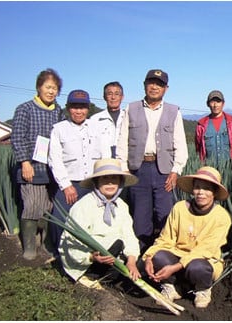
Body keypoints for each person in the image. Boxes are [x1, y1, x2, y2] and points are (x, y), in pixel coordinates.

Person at [116, 69, 188, 253]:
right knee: (140, 216)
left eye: (160, 84)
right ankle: (139, 256)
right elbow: (122, 141)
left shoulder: (173, 111)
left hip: (163, 170)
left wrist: (176, 170)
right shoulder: (131, 108)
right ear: (144, 85)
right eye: (151, 83)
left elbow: (180, 143)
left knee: (165, 215)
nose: (155, 87)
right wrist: (124, 169)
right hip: (138, 170)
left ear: (166, 88)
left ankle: (162, 255)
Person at [142, 166, 232, 309]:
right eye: (197, 187)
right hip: (177, 256)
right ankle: (172, 286)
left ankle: (203, 290)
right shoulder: (179, 208)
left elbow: (205, 250)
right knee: (159, 257)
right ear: (193, 189)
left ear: (214, 192)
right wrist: (148, 257)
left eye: (207, 188)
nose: (201, 192)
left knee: (197, 266)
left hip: (204, 260)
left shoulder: (221, 217)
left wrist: (175, 267)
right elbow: (165, 238)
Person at [59, 158, 141, 289]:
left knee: (138, 252)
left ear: (120, 182)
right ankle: (90, 277)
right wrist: (91, 257)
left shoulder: (121, 206)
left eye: (114, 178)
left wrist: (131, 262)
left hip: (113, 256)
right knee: (117, 244)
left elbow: (129, 236)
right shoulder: (83, 206)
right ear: (96, 182)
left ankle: (109, 279)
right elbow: (71, 241)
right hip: (89, 260)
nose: (110, 183)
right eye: (105, 179)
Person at [48, 89, 111, 256]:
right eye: (75, 107)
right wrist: (66, 185)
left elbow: (106, 156)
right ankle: (60, 255)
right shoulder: (59, 129)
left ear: (88, 108)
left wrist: (102, 183)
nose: (79, 111)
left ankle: (89, 255)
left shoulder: (98, 128)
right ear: (68, 108)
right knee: (59, 219)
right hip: (70, 184)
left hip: (93, 183)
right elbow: (55, 159)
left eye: (82, 107)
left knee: (94, 220)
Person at [11, 68, 65, 260]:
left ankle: (46, 243)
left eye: (55, 88)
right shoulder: (25, 108)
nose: (51, 92)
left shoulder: (59, 111)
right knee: (32, 204)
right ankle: (29, 246)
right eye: (47, 87)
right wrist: (25, 162)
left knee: (49, 206)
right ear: (39, 87)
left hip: (53, 167)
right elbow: (17, 137)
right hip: (32, 166)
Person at [195, 90, 232, 164]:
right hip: (210, 169)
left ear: (223, 103)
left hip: (231, 168)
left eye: (218, 101)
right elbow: (198, 149)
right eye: (212, 102)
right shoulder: (201, 126)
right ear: (208, 104)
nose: (215, 105)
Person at [89, 81, 126, 158]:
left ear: (122, 97)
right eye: (109, 94)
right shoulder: (95, 119)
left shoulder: (128, 117)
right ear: (104, 97)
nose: (113, 97)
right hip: (103, 164)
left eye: (117, 94)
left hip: (123, 163)